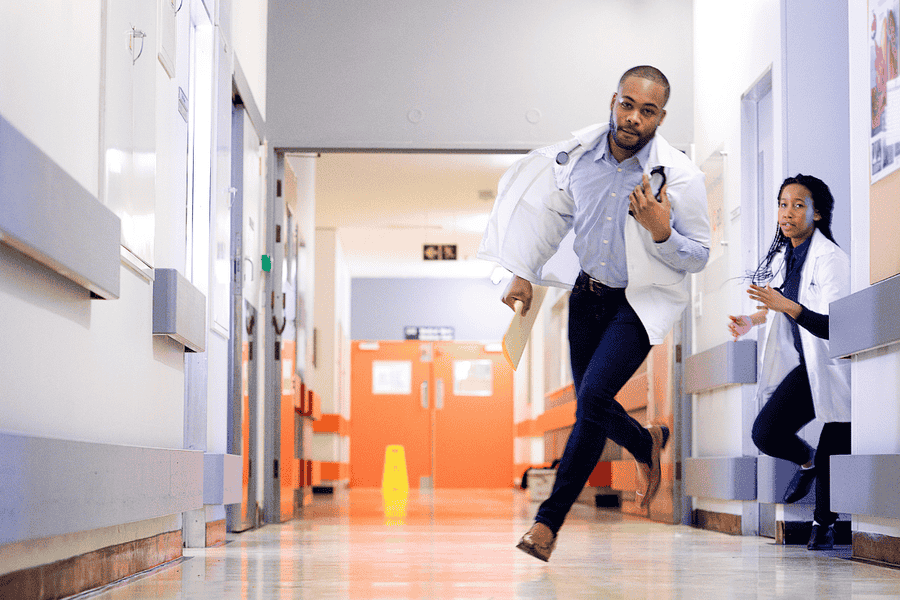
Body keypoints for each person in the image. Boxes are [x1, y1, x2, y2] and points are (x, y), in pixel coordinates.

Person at [477, 66, 710, 562]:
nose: (633, 118)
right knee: (592, 405)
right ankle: (644, 441)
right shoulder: (578, 161)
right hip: (587, 298)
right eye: (627, 104)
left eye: (647, 111)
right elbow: (551, 222)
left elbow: (700, 255)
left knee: (593, 399)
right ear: (613, 100)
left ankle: (547, 524)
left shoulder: (680, 176)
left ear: (661, 117)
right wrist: (522, 271)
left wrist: (662, 231)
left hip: (637, 302)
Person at [728, 174, 851, 551]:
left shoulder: (831, 259)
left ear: (816, 213)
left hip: (834, 368)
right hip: (807, 370)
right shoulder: (787, 257)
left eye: (799, 205)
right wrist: (751, 320)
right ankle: (806, 461)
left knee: (836, 444)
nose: (788, 213)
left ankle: (824, 526)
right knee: (765, 433)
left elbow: (833, 325)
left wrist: (787, 306)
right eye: (783, 204)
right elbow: (776, 309)